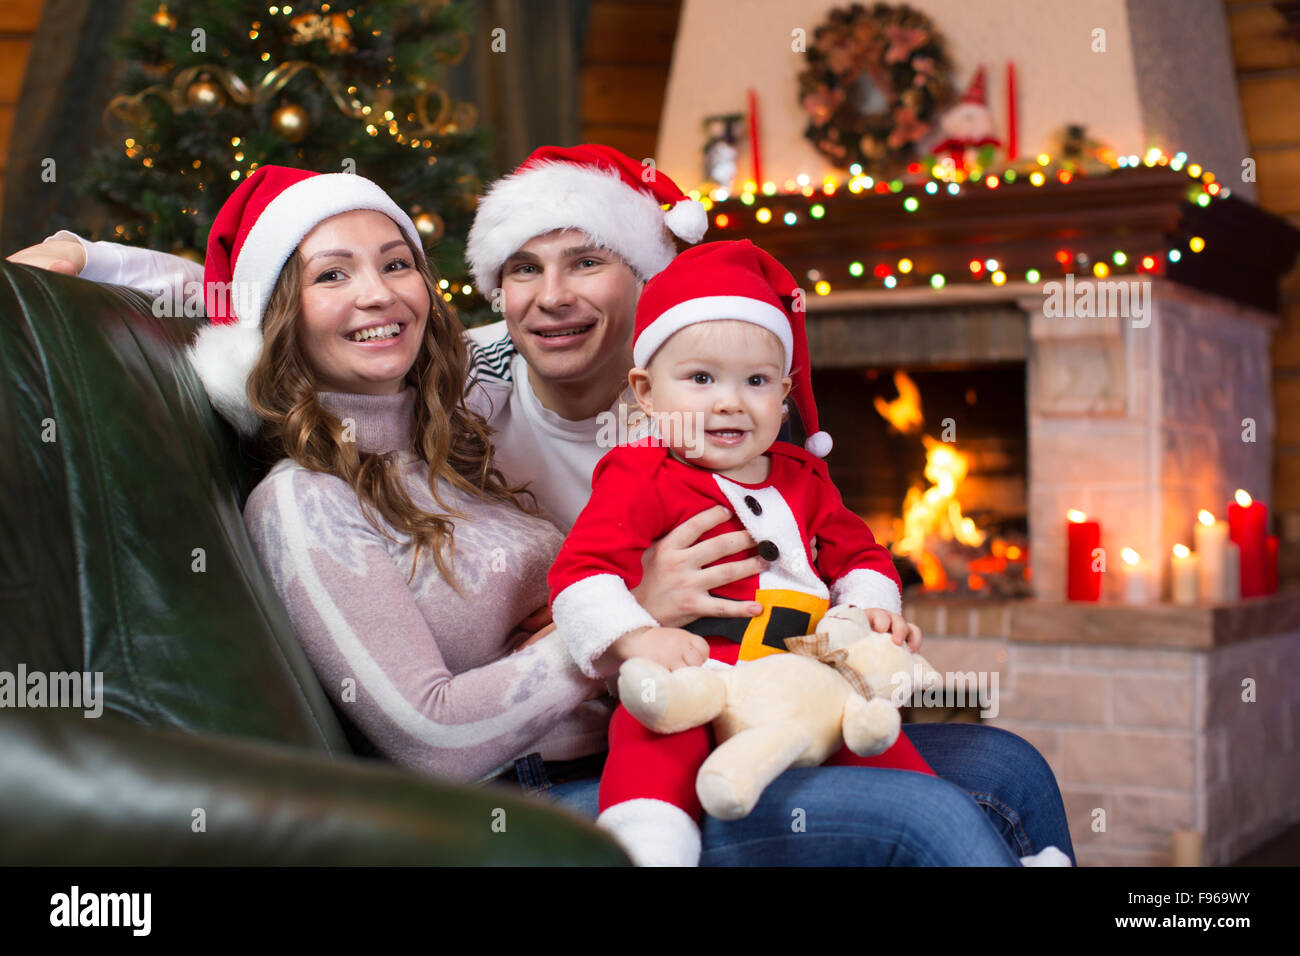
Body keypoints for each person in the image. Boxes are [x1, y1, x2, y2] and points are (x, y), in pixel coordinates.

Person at [7, 146, 1076, 866]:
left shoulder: (455, 422)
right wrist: (615, 623)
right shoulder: (306, 501)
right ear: (283, 316)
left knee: (1006, 762)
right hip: (529, 789)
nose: (376, 293)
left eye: (396, 264)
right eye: (332, 276)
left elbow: (269, 284)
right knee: (929, 821)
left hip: (667, 717)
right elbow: (425, 733)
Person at [549, 239, 941, 865]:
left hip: (805, 672)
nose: (729, 401)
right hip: (703, 667)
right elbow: (581, 575)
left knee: (879, 740)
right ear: (647, 393)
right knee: (653, 726)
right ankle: (648, 839)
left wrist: (871, 607)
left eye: (756, 381)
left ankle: (954, 841)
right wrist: (634, 639)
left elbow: (862, 555)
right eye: (701, 379)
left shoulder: (801, 476)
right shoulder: (640, 474)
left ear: (783, 394)